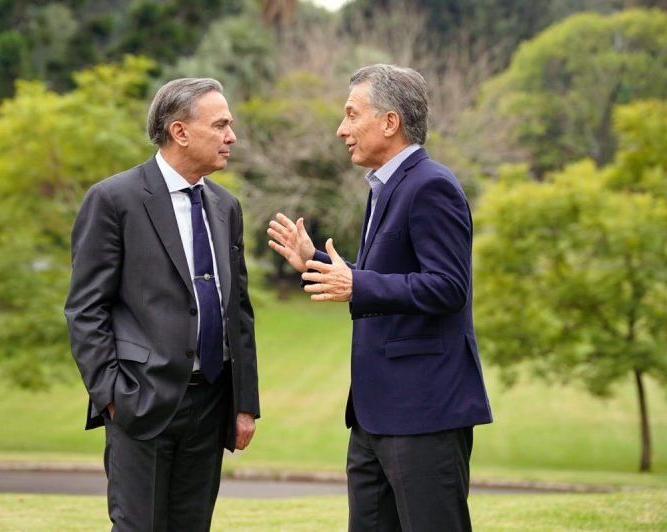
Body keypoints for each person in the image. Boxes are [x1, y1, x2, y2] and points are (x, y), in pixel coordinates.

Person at [268, 64, 492, 531]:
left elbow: (449, 286)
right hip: (373, 416)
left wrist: (357, 284)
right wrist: (317, 263)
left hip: (424, 412)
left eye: (352, 115)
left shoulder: (431, 185)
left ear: (389, 123)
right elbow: (383, 277)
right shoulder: (383, 188)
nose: (341, 129)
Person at [65, 77, 259, 532]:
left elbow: (239, 311)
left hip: (212, 404)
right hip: (141, 401)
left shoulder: (226, 206)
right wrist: (112, 396)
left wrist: (244, 402)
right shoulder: (114, 199)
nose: (232, 136)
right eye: (221, 125)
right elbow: (85, 309)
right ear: (180, 131)